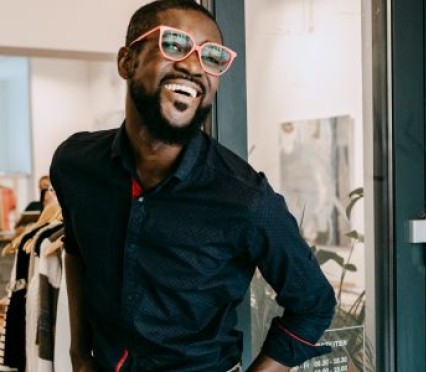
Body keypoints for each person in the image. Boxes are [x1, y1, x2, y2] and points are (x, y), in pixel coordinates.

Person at [49, 1, 337, 371]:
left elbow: (313, 303)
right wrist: (79, 353)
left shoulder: (245, 198)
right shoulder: (75, 163)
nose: (192, 65)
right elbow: (76, 249)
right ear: (127, 62)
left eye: (211, 57)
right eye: (174, 45)